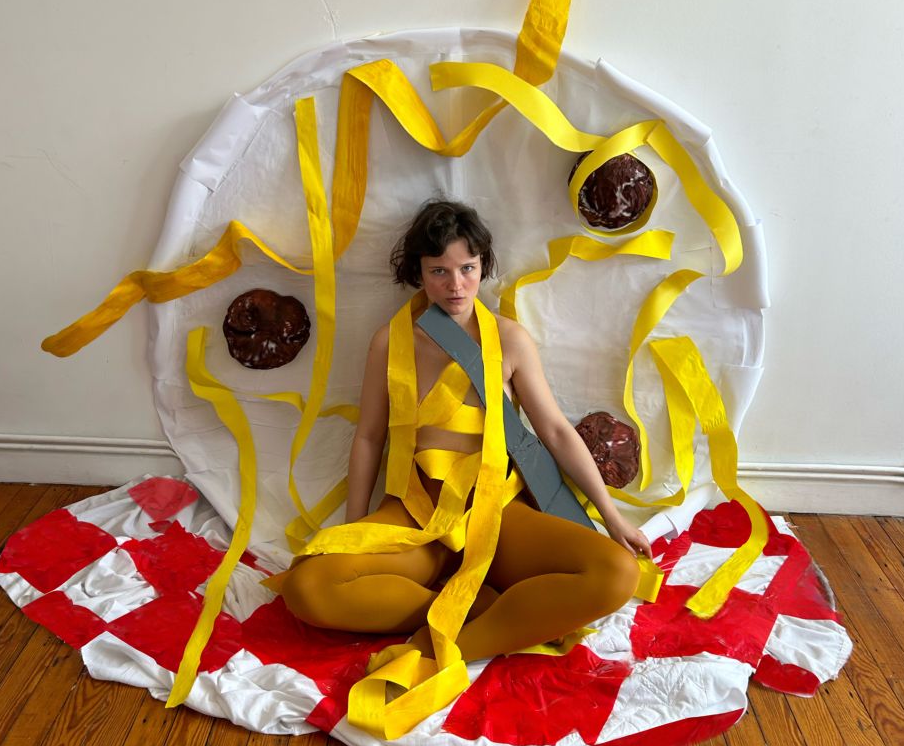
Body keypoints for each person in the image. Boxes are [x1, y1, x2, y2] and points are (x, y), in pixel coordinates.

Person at [278, 199, 652, 664]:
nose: (455, 285)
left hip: (497, 513)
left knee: (617, 573)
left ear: (482, 266)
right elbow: (370, 437)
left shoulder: (509, 339)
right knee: (306, 587)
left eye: (467, 269)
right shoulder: (389, 342)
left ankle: (445, 652)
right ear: (419, 272)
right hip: (417, 513)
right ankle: (470, 608)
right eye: (439, 271)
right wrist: (356, 525)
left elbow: (555, 431)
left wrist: (613, 518)